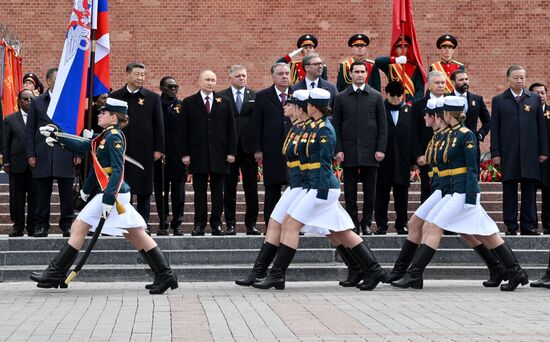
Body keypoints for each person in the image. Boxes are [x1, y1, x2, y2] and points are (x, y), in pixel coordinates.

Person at [29, 98, 178, 294]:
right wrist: (58, 136)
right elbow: (85, 146)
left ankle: (55, 273)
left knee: (78, 227)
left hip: (112, 194)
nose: (98, 114)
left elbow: (117, 171)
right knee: (135, 234)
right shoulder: (106, 135)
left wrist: (108, 199)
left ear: (113, 117)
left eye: (103, 112)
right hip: (115, 193)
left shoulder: (114, 137)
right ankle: (165, 275)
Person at [253, 88, 388, 291]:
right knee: (338, 231)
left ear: (313, 107)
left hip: (322, 187)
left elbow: (324, 165)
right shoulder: (313, 127)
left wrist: (319, 191)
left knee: (291, 225)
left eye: (307, 104)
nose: (304, 107)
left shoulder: (324, 129)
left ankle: (277, 275)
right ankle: (371, 269)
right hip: (313, 186)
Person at [392, 96, 529, 291]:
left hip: (464, 191)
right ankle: (512, 271)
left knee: (435, 226)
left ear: (448, 114)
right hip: (453, 191)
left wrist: (471, 196)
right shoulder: (449, 136)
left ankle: (414, 274)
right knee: (485, 233)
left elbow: (472, 169)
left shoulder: (466, 135)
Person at [235, 89, 310, 286]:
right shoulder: (297, 128)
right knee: (276, 222)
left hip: (311, 187)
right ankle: (261, 272)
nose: (284, 106)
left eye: (289, 104)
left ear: (298, 109)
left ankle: (369, 269)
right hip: (297, 186)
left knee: (338, 232)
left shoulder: (312, 129)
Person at [490, 66, 548, 235]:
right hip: (509, 153)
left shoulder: (534, 99)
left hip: (530, 153)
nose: (520, 81)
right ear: (508, 78)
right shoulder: (499, 100)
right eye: (516, 78)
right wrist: (495, 152)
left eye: (522, 77)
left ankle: (528, 226)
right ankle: (511, 226)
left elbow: (541, 127)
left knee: (529, 190)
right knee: (509, 190)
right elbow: (495, 127)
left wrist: (543, 150)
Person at [332, 61, 387, 235]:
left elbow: (382, 125)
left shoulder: (376, 96)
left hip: (371, 151)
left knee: (370, 192)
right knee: (350, 192)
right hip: (348, 151)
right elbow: (337, 125)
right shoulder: (341, 97)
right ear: (351, 74)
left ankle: (366, 223)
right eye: (356, 71)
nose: (360, 74)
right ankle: (353, 222)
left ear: (366, 74)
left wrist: (381, 149)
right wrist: (338, 149)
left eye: (363, 71)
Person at [110, 62, 164, 234]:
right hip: (120, 151)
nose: (140, 78)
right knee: (123, 190)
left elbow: (159, 125)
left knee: (144, 191)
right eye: (137, 74)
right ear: (127, 75)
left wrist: (159, 148)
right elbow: (108, 122)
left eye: (143, 75)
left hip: (144, 151)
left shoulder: (152, 97)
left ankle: (142, 224)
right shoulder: (115, 96)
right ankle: (124, 224)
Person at [25, 68, 80, 237]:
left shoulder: (70, 101)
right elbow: (30, 130)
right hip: (43, 153)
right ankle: (41, 225)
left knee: (66, 194)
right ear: (48, 81)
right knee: (42, 193)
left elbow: (77, 129)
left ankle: (67, 224)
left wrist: (78, 152)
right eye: (57, 80)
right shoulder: (38, 102)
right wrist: (30, 154)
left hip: (65, 153)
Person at [181, 70, 236, 236]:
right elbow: (183, 130)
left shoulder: (224, 102)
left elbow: (231, 129)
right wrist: (185, 153)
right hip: (198, 153)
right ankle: (199, 224)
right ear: (199, 81)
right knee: (199, 192)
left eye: (213, 80)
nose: (210, 83)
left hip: (220, 153)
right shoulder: (189, 102)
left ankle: (216, 224)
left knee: (218, 192)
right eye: (207, 80)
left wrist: (231, 151)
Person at [219, 65, 260, 235]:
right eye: (238, 76)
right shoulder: (221, 96)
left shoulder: (254, 96)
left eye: (244, 75)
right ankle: (230, 224)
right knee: (229, 189)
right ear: (230, 77)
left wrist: (258, 148)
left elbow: (259, 124)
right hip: (230, 149)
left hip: (249, 149)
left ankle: (251, 224)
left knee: (251, 188)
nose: (242, 78)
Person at [253, 63, 293, 229]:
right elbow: (257, 124)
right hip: (272, 151)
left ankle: (293, 226)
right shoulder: (263, 96)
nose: (285, 76)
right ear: (273, 77)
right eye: (281, 74)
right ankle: (271, 226)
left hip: (294, 151)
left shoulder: (297, 95)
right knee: (272, 190)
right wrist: (258, 149)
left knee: (294, 191)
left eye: (287, 73)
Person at [374, 81, 413, 235]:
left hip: (402, 159)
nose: (396, 99)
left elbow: (412, 136)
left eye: (399, 95)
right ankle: (381, 225)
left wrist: (413, 160)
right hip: (383, 159)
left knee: (401, 195)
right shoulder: (380, 110)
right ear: (387, 94)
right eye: (392, 95)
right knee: (381, 195)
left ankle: (401, 224)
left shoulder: (409, 110)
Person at [154, 76, 186, 236]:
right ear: (162, 88)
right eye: (170, 86)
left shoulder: (182, 106)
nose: (173, 89)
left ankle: (177, 223)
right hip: (160, 156)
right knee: (161, 192)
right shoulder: (155, 105)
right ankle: (162, 222)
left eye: (176, 86)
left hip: (178, 156)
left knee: (179, 193)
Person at [3, 89, 36, 237]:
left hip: (35, 165)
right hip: (17, 165)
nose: (29, 101)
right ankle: (18, 226)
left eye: (31, 99)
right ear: (19, 101)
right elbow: (6, 142)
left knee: (34, 197)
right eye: (25, 99)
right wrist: (6, 162)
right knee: (17, 198)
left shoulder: (39, 118)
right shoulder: (10, 119)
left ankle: (32, 226)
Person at [411, 70, 446, 204]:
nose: (441, 85)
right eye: (437, 83)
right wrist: (418, 154)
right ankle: (425, 222)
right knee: (428, 188)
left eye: (443, 82)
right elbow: (413, 132)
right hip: (427, 155)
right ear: (429, 85)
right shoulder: (419, 104)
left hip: (446, 153)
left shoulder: (451, 102)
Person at [451, 70, 491, 167]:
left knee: (473, 175)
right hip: (451, 144)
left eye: (466, 79)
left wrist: (480, 135)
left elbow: (488, 121)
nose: (465, 82)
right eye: (461, 80)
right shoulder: (446, 98)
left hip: (472, 144)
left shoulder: (477, 99)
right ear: (453, 82)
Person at [375, 35, 424, 103]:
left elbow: (420, 91)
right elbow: (377, 61)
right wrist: (395, 60)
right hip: (394, 100)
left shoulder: (415, 68)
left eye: (405, 47)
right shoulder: (391, 66)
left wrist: (410, 103)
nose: (403, 49)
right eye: (400, 47)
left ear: (408, 49)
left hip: (410, 102)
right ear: (396, 49)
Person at [529, 82, 550, 235]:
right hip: (531, 160)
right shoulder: (525, 112)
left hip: (548, 162)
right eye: (537, 93)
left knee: (548, 194)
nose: (540, 96)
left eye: (543, 93)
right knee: (530, 194)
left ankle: (548, 225)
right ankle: (531, 225)